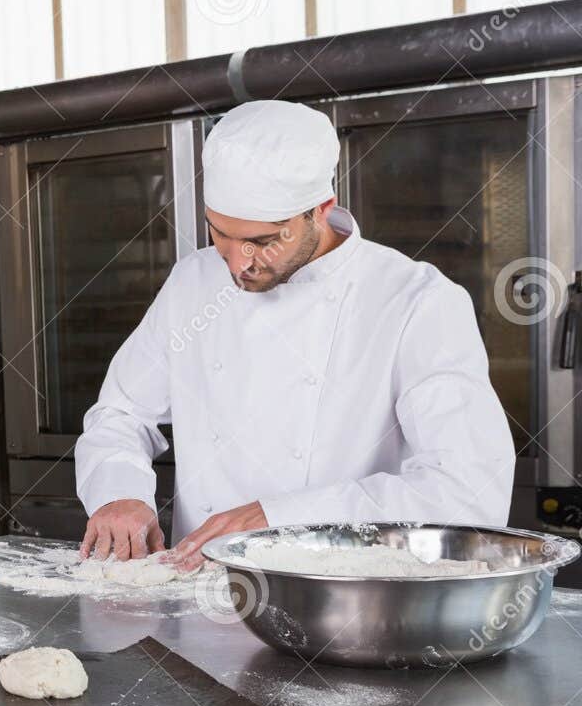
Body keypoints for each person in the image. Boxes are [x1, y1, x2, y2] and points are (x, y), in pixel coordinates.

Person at [76, 99, 515, 563]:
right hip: (199, 595)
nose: (238, 264)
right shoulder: (193, 282)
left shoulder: (415, 300)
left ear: (320, 209)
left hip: (344, 604)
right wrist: (118, 493)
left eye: (262, 242)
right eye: (219, 233)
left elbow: (469, 490)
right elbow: (121, 414)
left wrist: (277, 518)